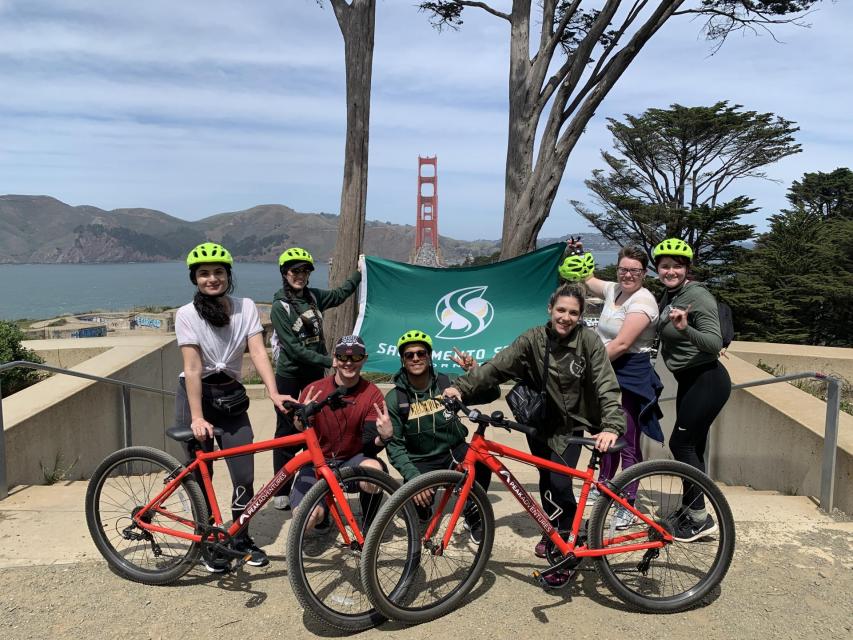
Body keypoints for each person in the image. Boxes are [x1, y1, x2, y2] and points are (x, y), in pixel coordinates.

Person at [444, 283, 626, 587]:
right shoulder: (533, 339)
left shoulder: (589, 342)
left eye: (573, 313)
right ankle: (554, 530)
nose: (566, 317)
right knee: (546, 479)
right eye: (561, 310)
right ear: (550, 310)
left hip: (571, 427)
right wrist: (460, 386)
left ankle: (567, 553)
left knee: (559, 482)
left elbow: (606, 384)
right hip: (539, 422)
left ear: (580, 316)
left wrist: (610, 426)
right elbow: (497, 367)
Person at [175, 242, 293, 572]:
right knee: (202, 475)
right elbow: (193, 367)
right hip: (195, 396)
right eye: (203, 274)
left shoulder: (246, 307)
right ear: (194, 279)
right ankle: (207, 539)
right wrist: (197, 417)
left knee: (243, 473)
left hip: (231, 395)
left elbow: (257, 352)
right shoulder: (186, 314)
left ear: (228, 275)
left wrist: (273, 392)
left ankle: (239, 536)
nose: (211, 278)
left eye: (218, 272)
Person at [568, 243, 664, 530]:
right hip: (606, 373)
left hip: (630, 375)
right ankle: (603, 486)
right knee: (603, 435)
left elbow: (622, 344)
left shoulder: (643, 302)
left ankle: (628, 503)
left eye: (634, 270)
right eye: (623, 269)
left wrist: (586, 365)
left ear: (644, 273)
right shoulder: (614, 290)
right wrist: (578, 254)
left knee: (626, 441)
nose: (628, 275)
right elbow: (585, 279)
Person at [376, 330, 500, 543]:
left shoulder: (447, 384)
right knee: (419, 505)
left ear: (429, 356)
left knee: (482, 463)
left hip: (454, 450)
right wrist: (414, 478)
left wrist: (476, 372)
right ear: (403, 361)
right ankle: (423, 510)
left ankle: (472, 514)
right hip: (420, 459)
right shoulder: (395, 398)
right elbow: (395, 447)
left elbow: (492, 394)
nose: (415, 358)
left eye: (421, 353)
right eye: (409, 355)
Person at [269, 248, 362, 510]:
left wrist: (360, 272)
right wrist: (328, 361)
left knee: (315, 424)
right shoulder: (280, 307)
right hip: (290, 375)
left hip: (313, 374)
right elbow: (293, 348)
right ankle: (281, 487)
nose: (299, 275)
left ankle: (314, 477)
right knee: (286, 430)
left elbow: (340, 294)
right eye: (294, 270)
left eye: (304, 270)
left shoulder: (313, 297)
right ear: (285, 273)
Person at [653, 237, 731, 542]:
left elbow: (714, 344)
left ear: (687, 268)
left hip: (707, 378)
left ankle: (700, 517)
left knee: (681, 444)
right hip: (689, 379)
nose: (670, 270)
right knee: (693, 447)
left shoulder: (697, 296)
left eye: (677, 266)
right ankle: (689, 509)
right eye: (664, 266)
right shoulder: (672, 294)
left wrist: (686, 328)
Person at [289, 335, 392, 530]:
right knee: (308, 520)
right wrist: (301, 415)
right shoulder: (314, 389)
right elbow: (297, 432)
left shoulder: (372, 393)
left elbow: (369, 445)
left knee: (375, 471)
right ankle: (323, 509)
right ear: (335, 359)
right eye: (343, 357)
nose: (349, 362)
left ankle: (370, 529)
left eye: (356, 357)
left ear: (364, 359)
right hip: (316, 462)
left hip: (351, 461)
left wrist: (384, 437)